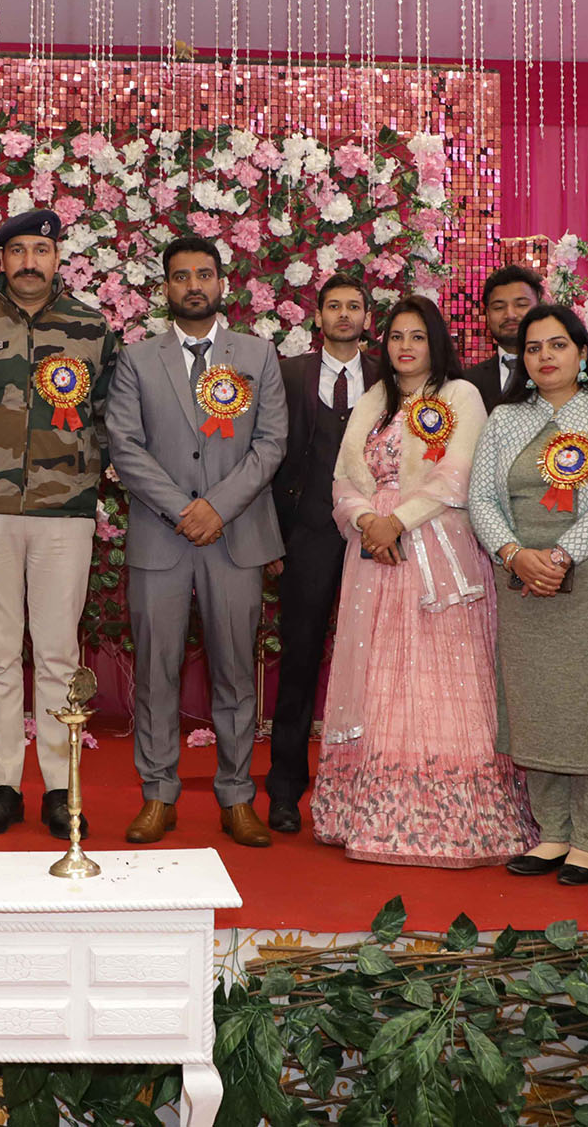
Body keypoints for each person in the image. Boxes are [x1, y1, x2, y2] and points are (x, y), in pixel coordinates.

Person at [312, 296, 539, 867]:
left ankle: (456, 823)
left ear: (436, 343)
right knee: (380, 672)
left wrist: (397, 521)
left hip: (436, 547)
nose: (405, 347)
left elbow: (459, 474)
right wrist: (367, 521)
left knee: (440, 671)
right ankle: (372, 816)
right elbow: (342, 477)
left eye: (417, 336)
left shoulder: (460, 396)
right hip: (374, 555)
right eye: (396, 337)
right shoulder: (374, 400)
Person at [0, 208, 119, 840]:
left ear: (58, 257)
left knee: (60, 652)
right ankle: (4, 786)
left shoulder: (91, 327)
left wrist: (83, 474)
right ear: (2, 259)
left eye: (41, 250)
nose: (30, 262)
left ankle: (61, 789)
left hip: (64, 511)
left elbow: (109, 415)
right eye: (18, 251)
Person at [108, 235, 287, 848]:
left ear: (221, 284)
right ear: (165, 288)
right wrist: (185, 510)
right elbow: (125, 446)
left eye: (203, 274)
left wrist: (218, 508)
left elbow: (271, 443)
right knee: (154, 673)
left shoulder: (258, 355)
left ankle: (237, 797)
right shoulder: (137, 360)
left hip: (234, 537)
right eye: (180, 276)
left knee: (236, 673)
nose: (193, 285)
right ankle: (158, 795)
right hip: (162, 538)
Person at [471, 304, 588, 885]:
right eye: (533, 348)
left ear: (582, 352)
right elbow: (481, 499)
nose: (545, 356)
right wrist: (514, 554)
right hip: (525, 579)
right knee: (538, 702)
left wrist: (561, 554)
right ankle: (552, 833)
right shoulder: (505, 418)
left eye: (557, 344)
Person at [263, 273, 378, 834]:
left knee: (377, 664)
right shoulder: (288, 374)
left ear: (368, 319)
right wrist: (271, 539)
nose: (344, 315)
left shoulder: (389, 378)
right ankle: (285, 791)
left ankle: (372, 788)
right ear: (318, 316)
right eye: (334, 306)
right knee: (300, 663)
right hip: (305, 537)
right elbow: (266, 457)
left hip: (374, 538)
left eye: (354, 306)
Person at [461, 265, 543, 412]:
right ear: (487, 314)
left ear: (540, 308)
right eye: (499, 307)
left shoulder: (558, 372)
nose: (510, 314)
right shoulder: (468, 382)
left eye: (521, 305)